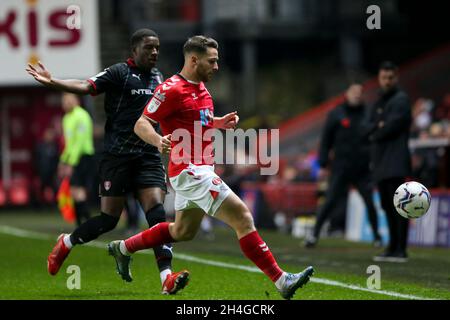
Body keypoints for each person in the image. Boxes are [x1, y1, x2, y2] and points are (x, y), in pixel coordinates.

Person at [107, 35, 314, 299]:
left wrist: (218, 122)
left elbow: (195, 119)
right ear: (194, 60)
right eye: (212, 61)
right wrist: (159, 140)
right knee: (242, 216)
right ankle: (281, 279)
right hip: (189, 170)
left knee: (181, 231)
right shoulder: (170, 89)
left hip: (201, 168)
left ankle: (123, 248)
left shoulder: (202, 88)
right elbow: (141, 123)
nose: (217, 67)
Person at [26, 29, 184, 294]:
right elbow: (87, 86)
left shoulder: (159, 77)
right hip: (117, 157)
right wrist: (54, 82)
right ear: (134, 50)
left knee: (157, 213)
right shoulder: (119, 73)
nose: (155, 52)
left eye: (157, 47)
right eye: (148, 48)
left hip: (147, 156)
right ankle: (67, 242)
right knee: (109, 220)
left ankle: (166, 278)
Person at [305, 83, 382, 248]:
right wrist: (323, 162)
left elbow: (375, 137)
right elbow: (326, 139)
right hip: (340, 167)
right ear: (346, 93)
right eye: (353, 92)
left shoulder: (368, 113)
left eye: (360, 92)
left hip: (362, 169)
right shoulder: (336, 113)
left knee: (369, 201)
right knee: (330, 201)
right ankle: (314, 234)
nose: (357, 95)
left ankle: (377, 237)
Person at [368, 61, 412, 263]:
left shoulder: (401, 100)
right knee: (387, 205)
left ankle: (401, 248)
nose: (387, 81)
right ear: (379, 78)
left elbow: (391, 127)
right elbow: (368, 127)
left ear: (396, 78)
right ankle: (392, 246)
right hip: (380, 162)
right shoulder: (379, 101)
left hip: (395, 162)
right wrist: (378, 126)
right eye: (384, 77)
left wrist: (378, 128)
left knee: (400, 206)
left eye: (390, 77)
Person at [58, 93, 95, 225]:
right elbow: (69, 144)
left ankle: (86, 223)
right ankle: (81, 223)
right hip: (73, 158)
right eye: (64, 101)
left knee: (79, 190)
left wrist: (71, 164)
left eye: (69, 100)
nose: (66, 103)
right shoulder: (66, 118)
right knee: (74, 191)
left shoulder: (82, 116)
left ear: (76, 101)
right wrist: (63, 160)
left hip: (84, 157)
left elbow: (79, 143)